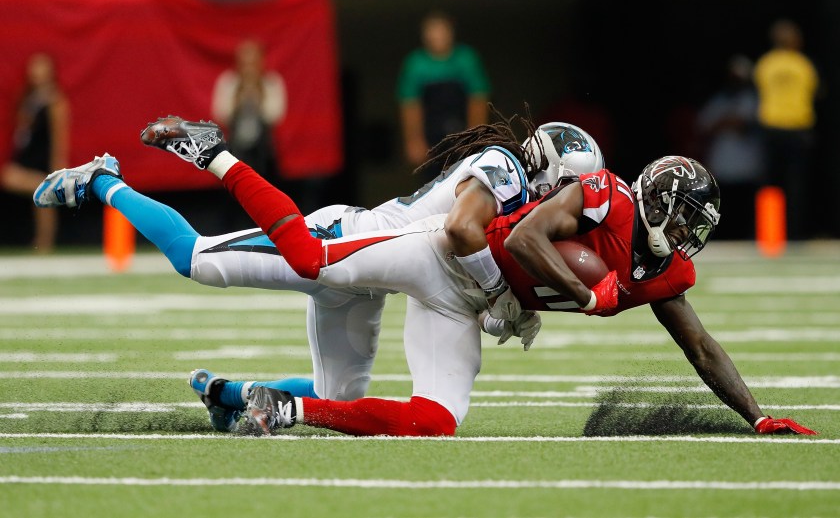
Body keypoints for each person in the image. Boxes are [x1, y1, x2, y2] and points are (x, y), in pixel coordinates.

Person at [115, 118, 814, 438]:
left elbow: (701, 345)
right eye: (684, 220)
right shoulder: (576, 188)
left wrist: (755, 413)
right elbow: (485, 233)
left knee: (435, 420)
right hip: (417, 249)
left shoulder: (661, 264)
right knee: (276, 260)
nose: (688, 238)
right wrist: (570, 295)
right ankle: (211, 155)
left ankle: (277, 405)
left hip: (462, 297)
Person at [33, 114, 604, 432]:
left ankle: (227, 393)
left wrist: (518, 303)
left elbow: (488, 256)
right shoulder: (505, 170)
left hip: (377, 278)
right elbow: (461, 233)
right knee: (198, 261)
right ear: (550, 170)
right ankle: (104, 179)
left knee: (339, 396)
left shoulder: (523, 198)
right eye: (568, 187)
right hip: (342, 242)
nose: (570, 204)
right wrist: (502, 292)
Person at [397, 11, 491, 167]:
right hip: (431, 135)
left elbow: (478, 100)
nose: (437, 36)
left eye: (442, 30)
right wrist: (413, 140)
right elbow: (410, 105)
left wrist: (476, 137)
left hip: (462, 129)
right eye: (432, 31)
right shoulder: (415, 63)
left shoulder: (466, 58)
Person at [753, 19, 819, 240]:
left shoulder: (766, 63)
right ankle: (794, 234)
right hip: (797, 129)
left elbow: (759, 89)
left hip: (771, 128)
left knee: (769, 183)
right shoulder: (803, 65)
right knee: (796, 184)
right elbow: (814, 91)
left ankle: (770, 235)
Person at [2, 53, 70, 253]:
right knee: (38, 192)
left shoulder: (55, 101)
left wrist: (57, 164)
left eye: (41, 68)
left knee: (44, 192)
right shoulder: (29, 99)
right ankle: (42, 241)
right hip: (26, 158)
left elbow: (60, 136)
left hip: (41, 161)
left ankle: (45, 242)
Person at [695, 55, 765, 240]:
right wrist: (727, 122)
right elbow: (703, 125)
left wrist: (726, 122)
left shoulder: (753, 98)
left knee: (746, 209)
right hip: (722, 165)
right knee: (722, 210)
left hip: (748, 165)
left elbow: (742, 124)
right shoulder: (720, 99)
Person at [212, 40, 287, 187]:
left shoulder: (271, 82)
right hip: (235, 146)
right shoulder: (228, 82)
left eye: (253, 62)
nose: (248, 68)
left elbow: (275, 115)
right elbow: (221, 114)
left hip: (263, 150)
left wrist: (260, 94)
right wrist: (237, 97)